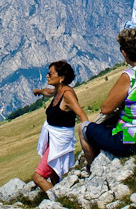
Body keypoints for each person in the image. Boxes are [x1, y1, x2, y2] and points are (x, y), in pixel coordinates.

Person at [78, 29, 136, 168]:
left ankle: (93, 169)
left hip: (132, 142)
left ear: (124, 52)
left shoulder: (129, 76)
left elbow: (106, 108)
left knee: (83, 128)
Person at [32, 61, 88, 193]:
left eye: (50, 73)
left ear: (61, 77)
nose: (47, 76)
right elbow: (48, 92)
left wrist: (88, 134)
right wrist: (39, 91)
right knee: (54, 174)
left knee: (38, 177)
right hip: (53, 140)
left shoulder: (67, 94)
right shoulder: (58, 90)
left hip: (60, 142)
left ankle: (60, 201)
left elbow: (81, 114)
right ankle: (61, 194)